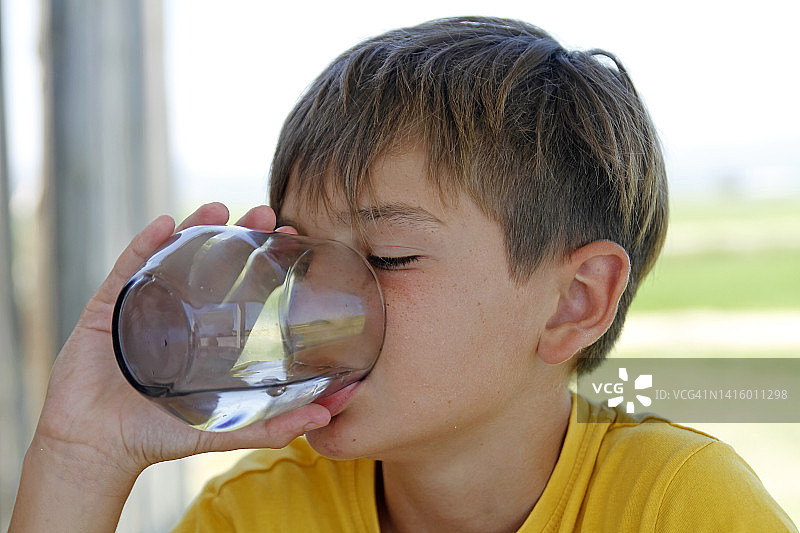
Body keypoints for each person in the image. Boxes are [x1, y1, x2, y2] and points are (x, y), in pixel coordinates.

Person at [10, 16, 795, 532]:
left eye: (385, 258)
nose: (307, 303)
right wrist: (80, 454)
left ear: (572, 302)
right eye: (296, 257)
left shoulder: (680, 506)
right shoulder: (257, 512)